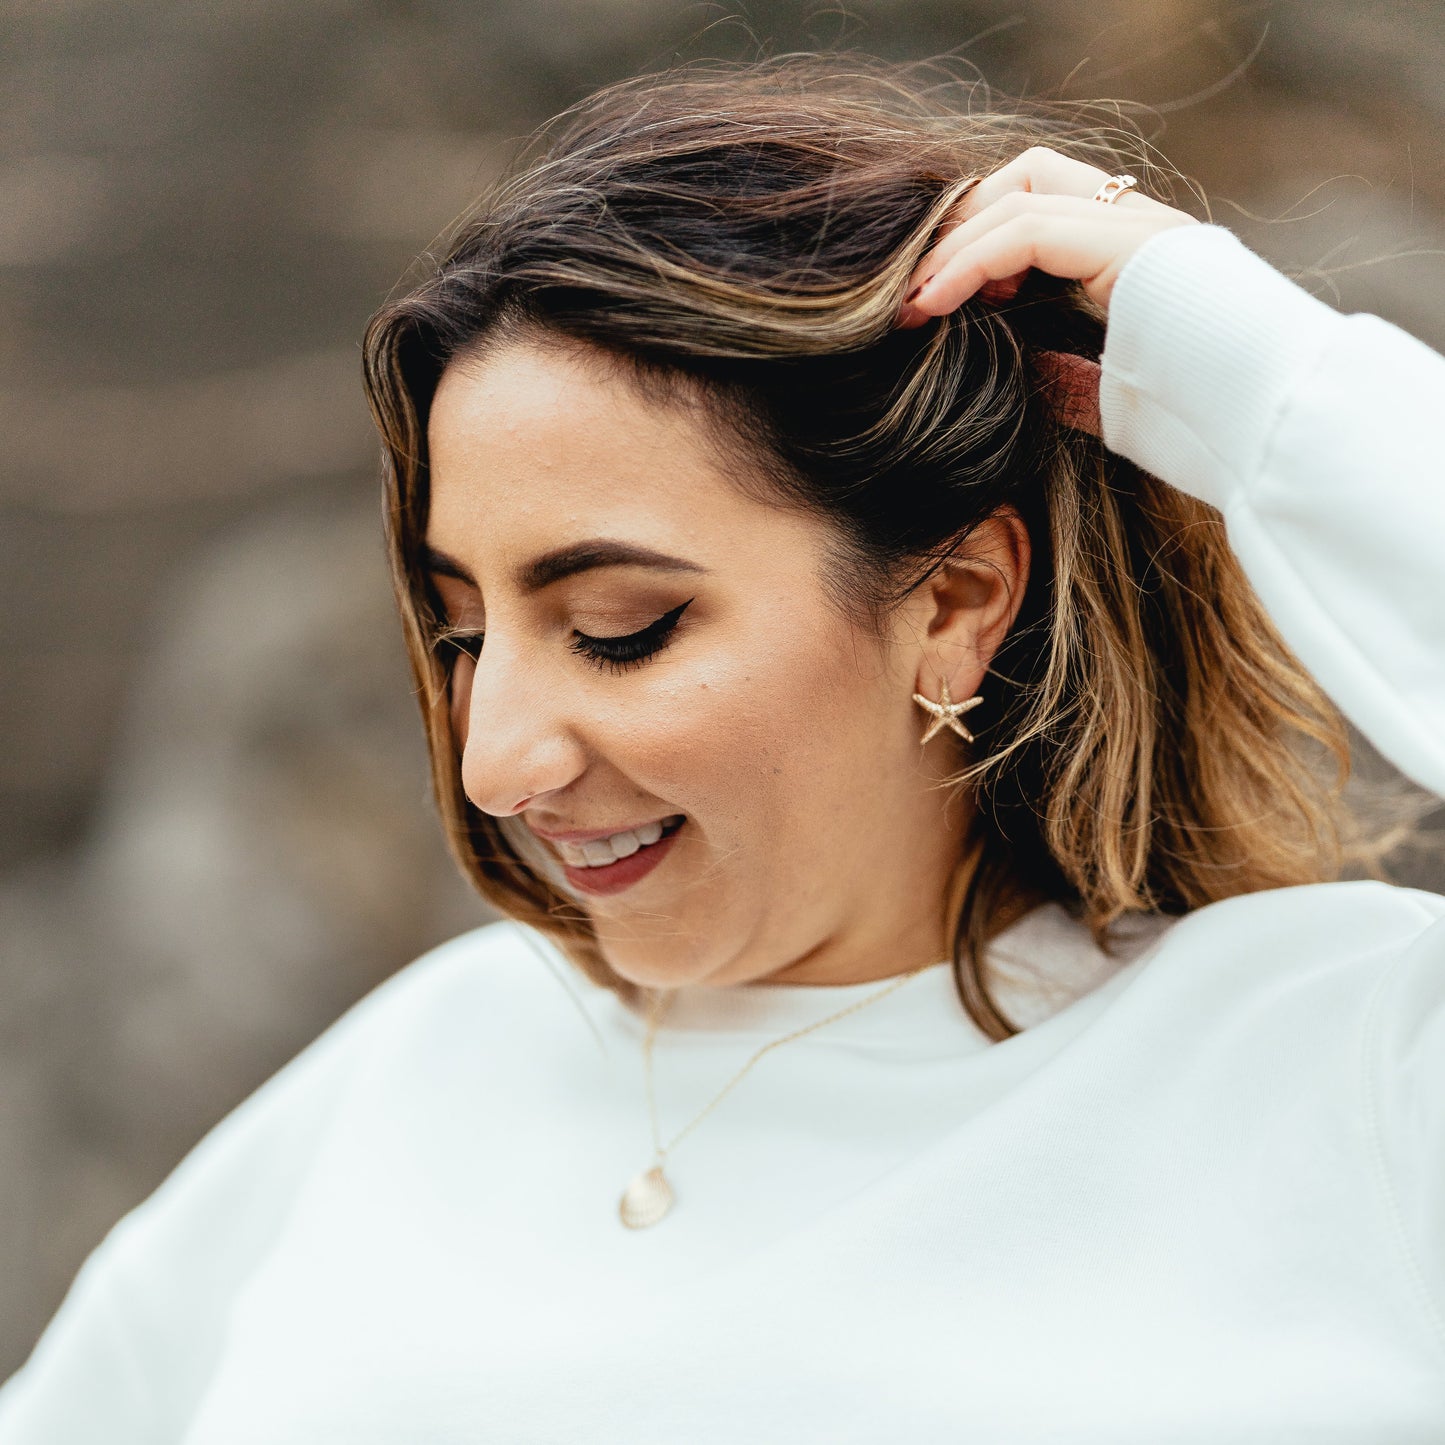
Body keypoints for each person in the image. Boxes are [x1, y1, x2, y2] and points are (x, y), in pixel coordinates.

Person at [2, 53, 1442, 1441]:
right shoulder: (426, 1064)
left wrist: (1265, 376)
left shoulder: (1349, 1064)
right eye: (459, 635)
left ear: (952, 605)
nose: (495, 760)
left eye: (621, 626)